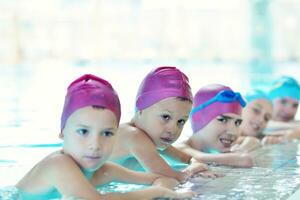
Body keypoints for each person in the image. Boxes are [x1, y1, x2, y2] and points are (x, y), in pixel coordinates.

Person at [16, 74, 194, 200]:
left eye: (107, 133)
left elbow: (160, 178)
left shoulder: (105, 171)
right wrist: (158, 192)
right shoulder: (58, 164)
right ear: (62, 133)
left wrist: (162, 186)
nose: (95, 145)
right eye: (83, 132)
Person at [110, 66, 211, 182]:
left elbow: (188, 159)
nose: (172, 129)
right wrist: (192, 170)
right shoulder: (133, 136)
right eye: (165, 117)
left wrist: (195, 164)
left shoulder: (153, 139)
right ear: (141, 107)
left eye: (181, 121)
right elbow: (172, 177)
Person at [177, 84, 254, 167]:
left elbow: (252, 141)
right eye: (223, 120)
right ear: (198, 119)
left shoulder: (211, 149)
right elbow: (244, 160)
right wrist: (238, 155)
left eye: (237, 123)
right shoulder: (178, 149)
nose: (233, 132)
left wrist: (242, 148)